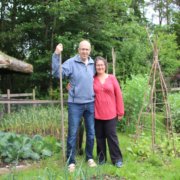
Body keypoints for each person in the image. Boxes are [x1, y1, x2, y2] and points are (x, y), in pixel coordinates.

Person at [52, 40, 97, 172]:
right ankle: (71, 161)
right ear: (78, 50)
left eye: (87, 49)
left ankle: (89, 157)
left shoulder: (94, 63)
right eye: (82, 49)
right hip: (75, 104)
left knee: (91, 132)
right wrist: (56, 55)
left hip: (90, 103)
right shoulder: (71, 62)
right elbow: (57, 74)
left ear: (90, 50)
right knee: (72, 133)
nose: (84, 51)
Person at [93, 56, 124, 167]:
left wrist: (120, 111)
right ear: (95, 67)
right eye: (97, 65)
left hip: (111, 114)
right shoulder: (92, 79)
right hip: (97, 114)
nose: (100, 67)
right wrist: (70, 86)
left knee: (112, 136)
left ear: (105, 66)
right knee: (100, 137)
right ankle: (101, 158)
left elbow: (118, 95)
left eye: (102, 65)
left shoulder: (112, 78)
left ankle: (117, 159)